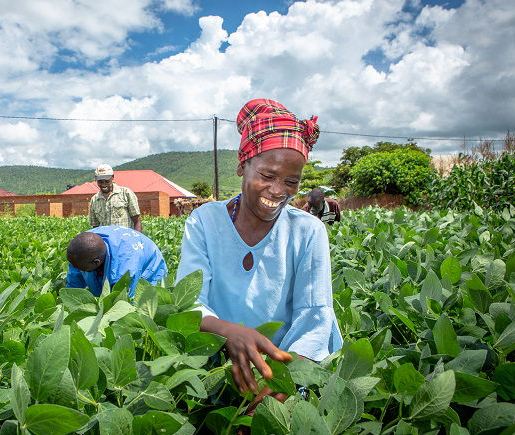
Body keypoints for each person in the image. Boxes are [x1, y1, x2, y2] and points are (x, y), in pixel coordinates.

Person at [176, 99, 342, 408]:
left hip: (289, 368)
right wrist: (228, 331)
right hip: (219, 367)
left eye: (291, 181)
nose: (278, 190)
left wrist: (283, 380)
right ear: (242, 165)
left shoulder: (308, 231)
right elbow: (190, 302)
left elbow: (315, 318)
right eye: (267, 175)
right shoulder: (205, 221)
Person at [66, 226, 167, 298]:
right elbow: (74, 285)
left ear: (96, 262)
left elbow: (124, 303)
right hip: (118, 248)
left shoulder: (127, 268)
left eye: (80, 268)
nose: (77, 268)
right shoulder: (81, 247)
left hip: (149, 263)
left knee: (141, 301)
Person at [88, 164, 143, 232]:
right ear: (96, 180)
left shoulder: (126, 193)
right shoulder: (94, 200)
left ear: (112, 177)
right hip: (106, 240)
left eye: (107, 181)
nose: (104, 184)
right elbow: (95, 227)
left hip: (125, 238)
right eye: (100, 181)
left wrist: (137, 239)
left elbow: (137, 220)